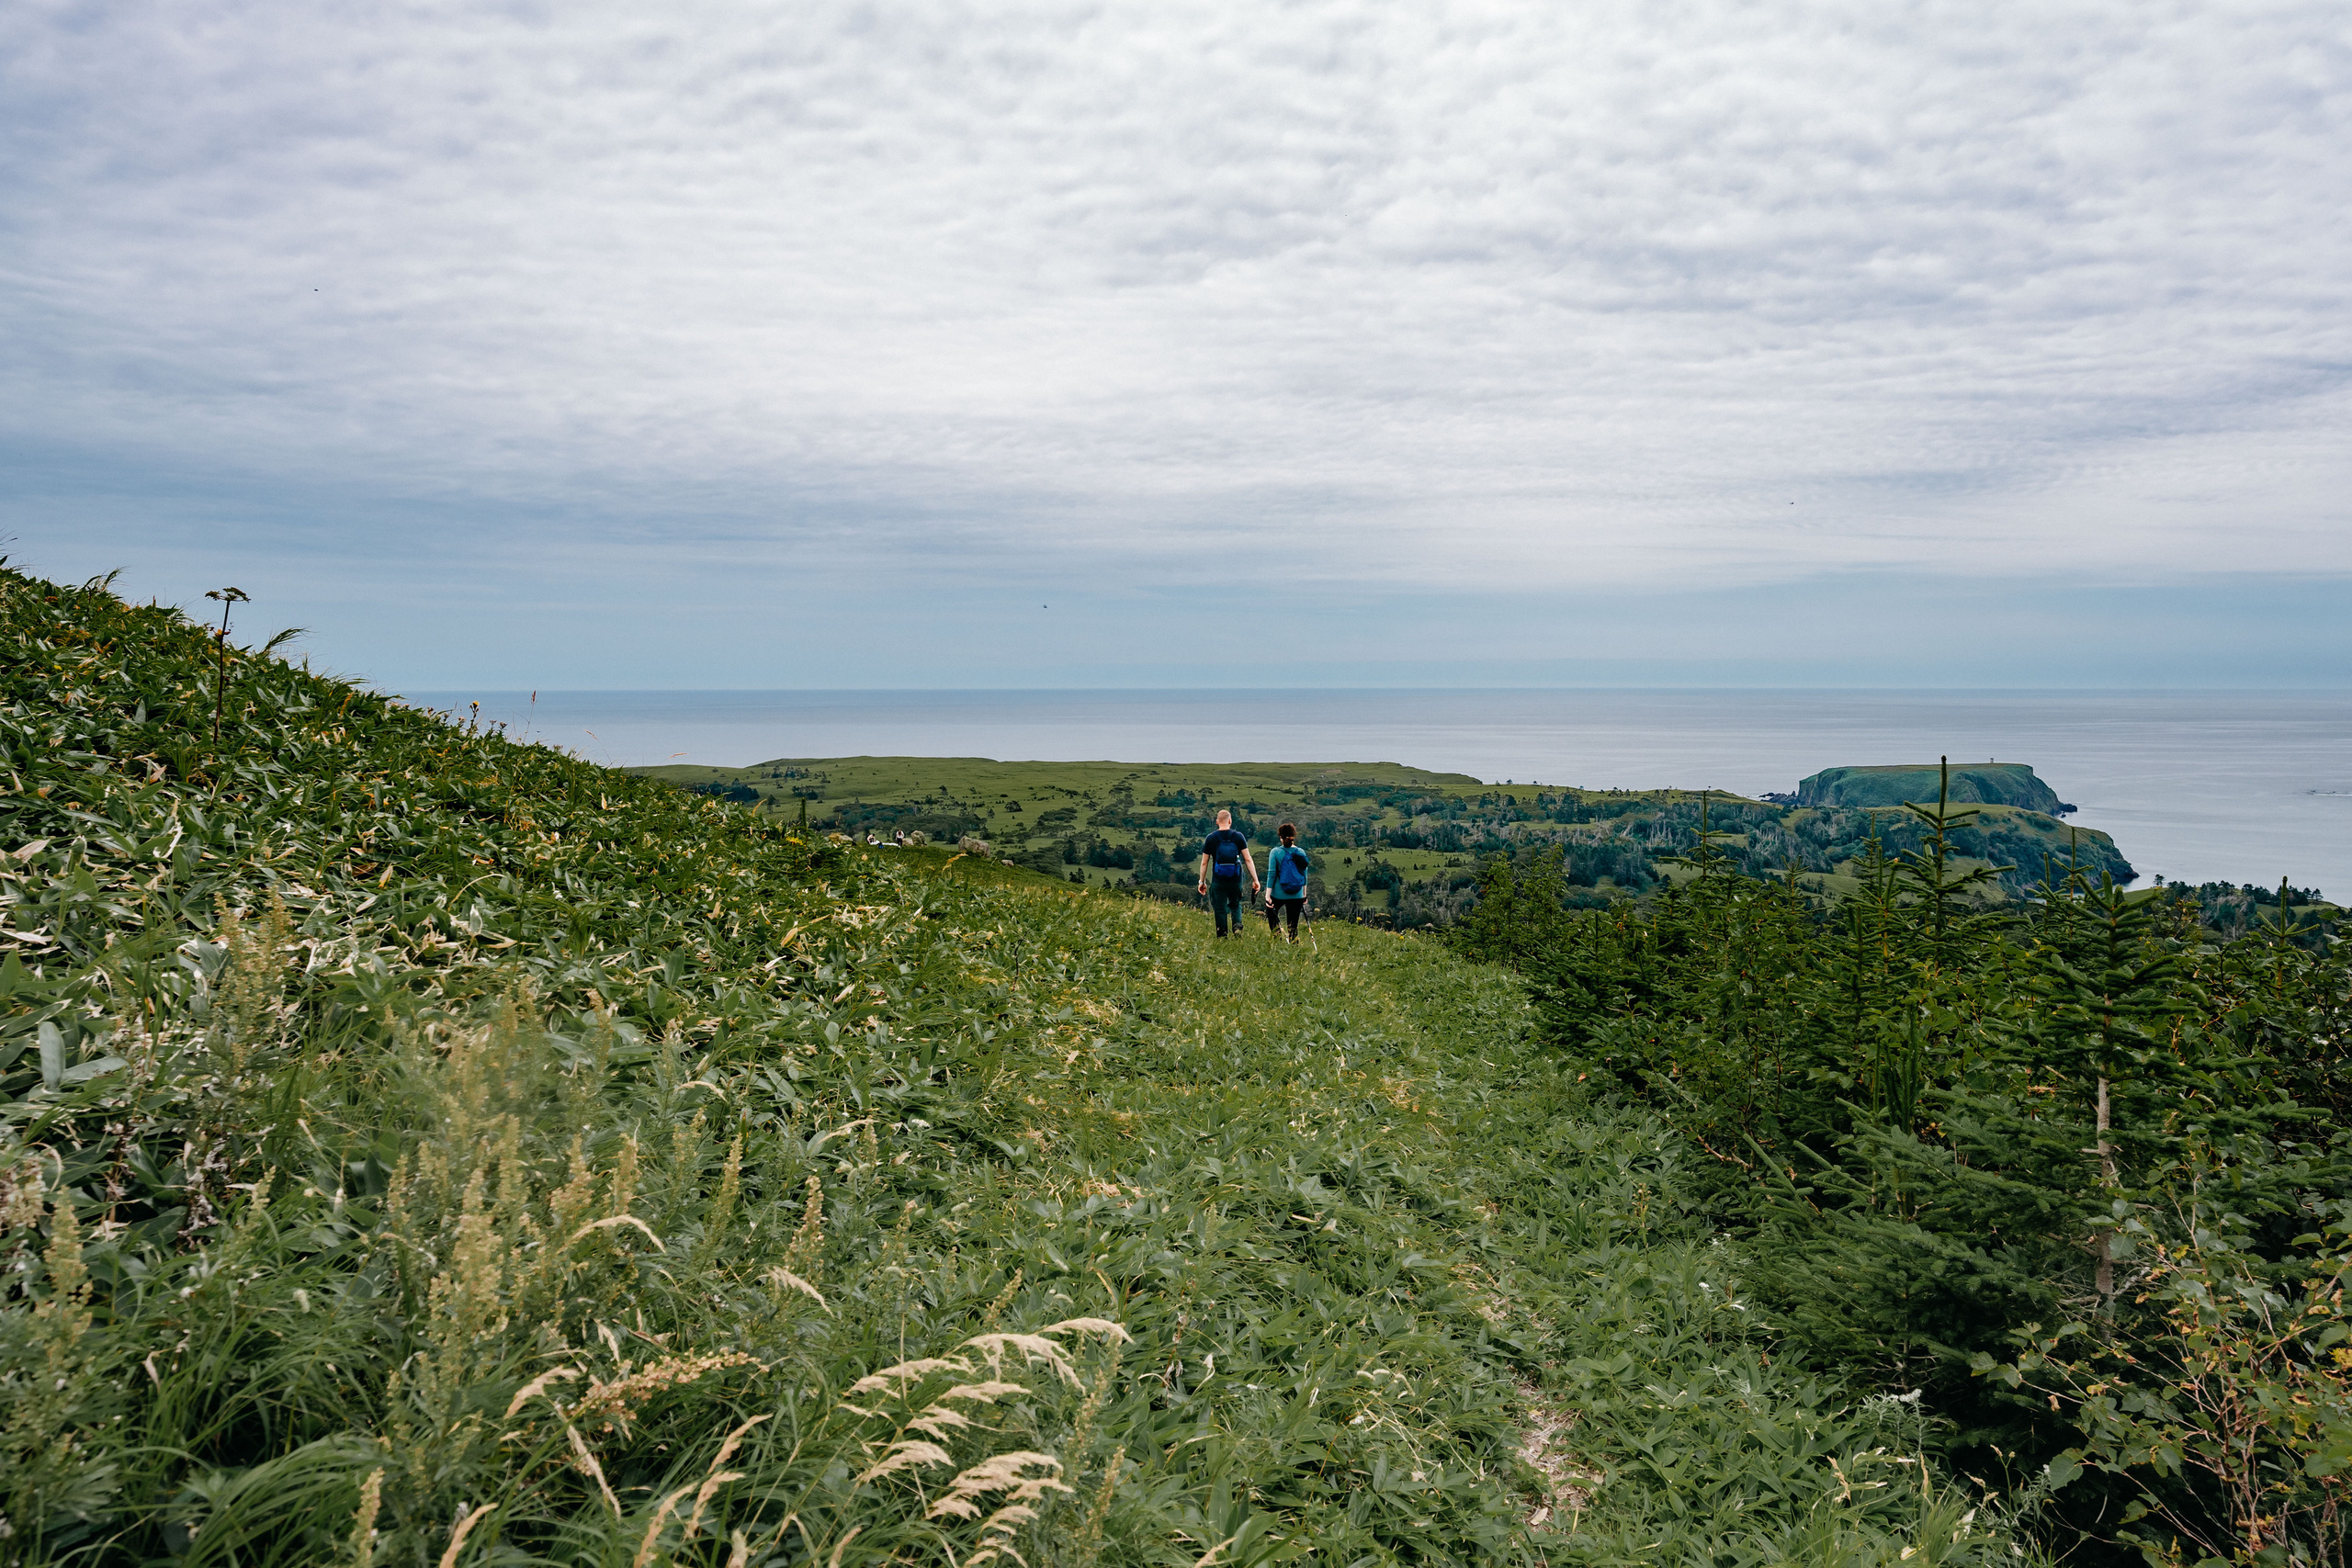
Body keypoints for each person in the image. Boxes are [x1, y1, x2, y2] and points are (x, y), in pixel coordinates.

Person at [1195, 808, 1258, 938]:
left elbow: (1204, 863)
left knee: (1220, 908)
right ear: (1230, 821)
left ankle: (1222, 935)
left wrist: (1202, 882)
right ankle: (1237, 926)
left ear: (1217, 822)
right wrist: (1255, 879)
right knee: (1235, 904)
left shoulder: (1211, 838)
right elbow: (1247, 859)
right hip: (1235, 878)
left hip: (1218, 880)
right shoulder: (1238, 836)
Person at [1263, 822, 1310, 942]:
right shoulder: (1300, 852)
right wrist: (1304, 895)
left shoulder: (1275, 852)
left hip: (1278, 893)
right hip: (1297, 894)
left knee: (1271, 913)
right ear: (1294, 836)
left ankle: (1277, 938)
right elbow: (1304, 875)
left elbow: (1272, 874)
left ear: (1281, 837)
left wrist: (1267, 895)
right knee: (1293, 924)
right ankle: (1294, 945)